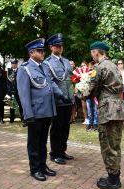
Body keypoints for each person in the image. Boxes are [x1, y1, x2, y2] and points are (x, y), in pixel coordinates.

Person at [76, 41, 124, 189]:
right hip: (118, 107)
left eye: (92, 52)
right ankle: (114, 176)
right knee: (115, 144)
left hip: (108, 110)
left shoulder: (100, 67)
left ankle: (113, 181)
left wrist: (79, 92)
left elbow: (91, 90)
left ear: (96, 52)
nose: (91, 55)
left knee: (107, 145)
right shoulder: (113, 66)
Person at [17, 38, 68, 181]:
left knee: (43, 141)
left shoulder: (44, 66)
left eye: (43, 51)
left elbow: (51, 83)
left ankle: (43, 165)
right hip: (35, 112)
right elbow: (24, 94)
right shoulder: (24, 69)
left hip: (47, 110)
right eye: (40, 51)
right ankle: (35, 169)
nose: (42, 53)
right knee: (34, 142)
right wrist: (28, 114)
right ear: (31, 53)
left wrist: (61, 95)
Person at [44, 33, 74, 165]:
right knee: (57, 127)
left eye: (61, 46)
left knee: (66, 127)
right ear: (51, 47)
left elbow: (71, 79)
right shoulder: (47, 63)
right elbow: (51, 81)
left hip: (69, 98)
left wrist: (72, 94)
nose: (60, 48)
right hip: (58, 100)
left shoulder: (67, 61)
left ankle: (62, 151)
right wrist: (60, 95)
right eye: (57, 46)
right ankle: (55, 153)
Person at [6, 59, 24, 124]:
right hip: (11, 91)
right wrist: (9, 91)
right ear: (11, 64)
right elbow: (7, 83)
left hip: (19, 91)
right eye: (12, 64)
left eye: (15, 63)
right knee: (12, 106)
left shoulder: (20, 71)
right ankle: (12, 118)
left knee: (21, 106)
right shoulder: (9, 71)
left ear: (17, 64)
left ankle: (22, 118)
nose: (13, 65)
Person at [86, 61, 99, 131]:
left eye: (92, 66)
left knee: (95, 110)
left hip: (94, 95)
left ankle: (96, 124)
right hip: (88, 95)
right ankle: (90, 123)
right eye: (90, 66)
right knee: (89, 110)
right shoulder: (86, 74)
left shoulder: (96, 73)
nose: (91, 67)